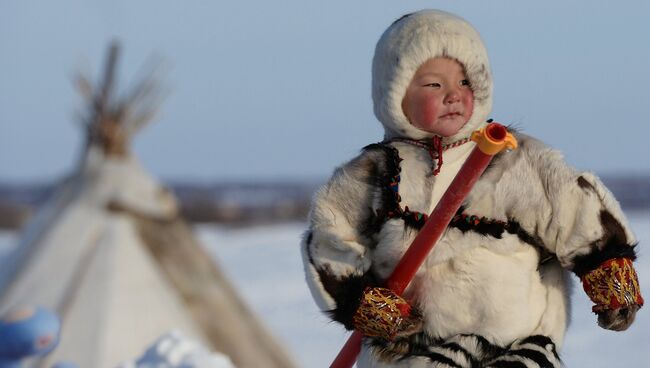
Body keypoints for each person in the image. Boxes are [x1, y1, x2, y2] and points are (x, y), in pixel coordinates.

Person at [300, 9, 644, 368]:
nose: (453, 95)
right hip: (410, 350)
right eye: (434, 85)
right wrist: (364, 303)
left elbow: (575, 210)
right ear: (395, 94)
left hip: (513, 342)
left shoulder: (516, 160)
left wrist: (609, 273)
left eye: (465, 82)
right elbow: (331, 240)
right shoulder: (373, 174)